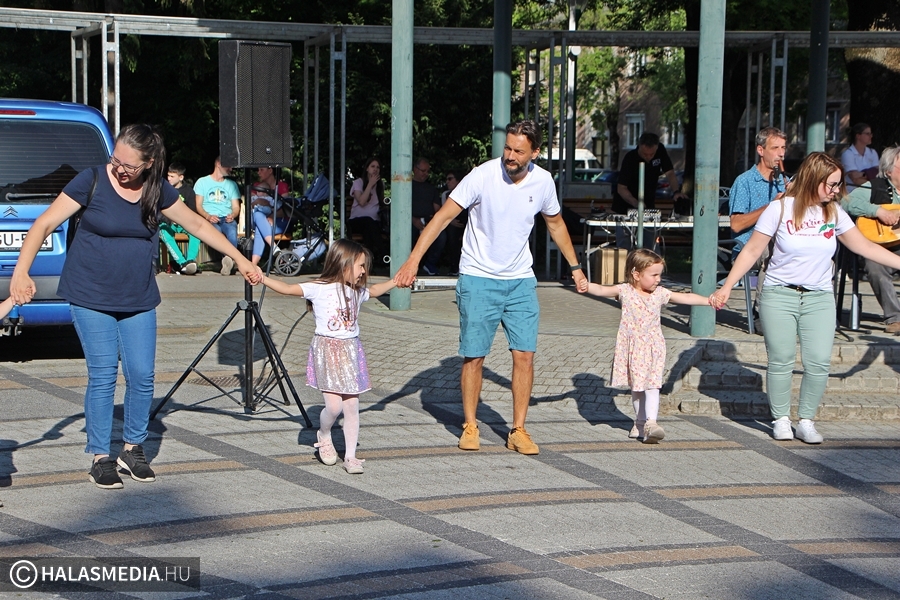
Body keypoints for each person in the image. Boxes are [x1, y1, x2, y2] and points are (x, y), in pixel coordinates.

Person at [9, 124, 261, 489]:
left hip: (138, 297)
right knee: (103, 374)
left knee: (142, 376)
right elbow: (44, 223)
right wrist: (21, 272)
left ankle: (132, 448)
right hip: (90, 295)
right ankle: (100, 456)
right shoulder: (91, 180)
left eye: (127, 165)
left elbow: (198, 226)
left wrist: (241, 259)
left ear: (150, 163)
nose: (118, 169)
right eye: (115, 160)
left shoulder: (158, 190)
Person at [395, 120, 588, 455]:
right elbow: (441, 218)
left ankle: (519, 429)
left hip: (520, 281)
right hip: (479, 277)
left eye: (518, 151)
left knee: (525, 356)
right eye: (507, 148)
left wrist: (575, 268)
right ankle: (470, 425)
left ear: (535, 153)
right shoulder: (482, 175)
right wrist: (413, 261)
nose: (510, 156)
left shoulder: (543, 181)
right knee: (474, 357)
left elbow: (555, 223)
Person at [711, 152, 900, 444]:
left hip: (819, 297)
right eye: (832, 184)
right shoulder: (781, 209)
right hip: (779, 294)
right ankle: (782, 419)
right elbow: (751, 251)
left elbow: (865, 247)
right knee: (782, 359)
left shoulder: (834, 212)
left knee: (819, 362)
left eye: (838, 185)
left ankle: (807, 420)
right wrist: (726, 287)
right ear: (814, 179)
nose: (836, 191)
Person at [258, 239, 396, 474]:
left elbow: (374, 291)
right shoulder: (319, 287)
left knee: (351, 405)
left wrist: (396, 281)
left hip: (350, 351)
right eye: (360, 266)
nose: (363, 271)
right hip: (327, 351)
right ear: (344, 264)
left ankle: (350, 457)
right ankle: (324, 434)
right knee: (333, 408)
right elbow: (287, 288)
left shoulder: (357, 292)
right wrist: (261, 278)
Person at [587, 249, 713, 443]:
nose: (658, 279)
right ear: (636, 275)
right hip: (633, 348)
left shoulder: (660, 294)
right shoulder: (625, 291)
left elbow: (685, 298)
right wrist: (585, 286)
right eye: (654, 275)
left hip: (654, 347)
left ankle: (651, 424)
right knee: (637, 389)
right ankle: (639, 423)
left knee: (653, 385)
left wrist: (709, 301)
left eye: (659, 274)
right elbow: (602, 290)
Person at [729, 127, 788, 332]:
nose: (781, 153)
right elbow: (736, 224)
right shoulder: (744, 181)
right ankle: (761, 314)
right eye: (775, 148)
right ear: (761, 150)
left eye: (783, 148)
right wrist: (770, 206)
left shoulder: (784, 182)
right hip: (748, 246)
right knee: (773, 254)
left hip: (779, 241)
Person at [841, 146, 900, 332]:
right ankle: (895, 318)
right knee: (874, 266)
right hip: (877, 246)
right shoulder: (874, 186)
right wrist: (878, 211)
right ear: (889, 170)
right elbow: (845, 201)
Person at [611, 132, 687, 250]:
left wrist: (676, 191)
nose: (648, 157)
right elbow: (621, 188)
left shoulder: (660, 151)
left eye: (652, 154)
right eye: (645, 154)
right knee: (624, 245)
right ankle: (626, 267)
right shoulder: (630, 158)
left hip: (648, 207)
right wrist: (636, 203)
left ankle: (651, 267)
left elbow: (670, 173)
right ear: (639, 146)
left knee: (650, 245)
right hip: (624, 207)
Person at [195, 156, 242, 275]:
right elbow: (199, 206)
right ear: (219, 164)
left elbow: (236, 207)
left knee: (231, 230)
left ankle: (228, 260)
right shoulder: (202, 182)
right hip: (210, 218)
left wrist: (233, 214)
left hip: (226, 217)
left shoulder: (232, 185)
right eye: (228, 166)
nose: (231, 169)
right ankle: (230, 259)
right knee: (215, 233)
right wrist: (208, 216)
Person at [159, 162, 200, 275]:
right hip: (169, 223)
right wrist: (170, 219)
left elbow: (192, 210)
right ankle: (182, 262)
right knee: (163, 231)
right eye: (168, 176)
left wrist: (182, 220)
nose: (169, 179)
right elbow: (159, 210)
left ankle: (190, 261)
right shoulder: (164, 190)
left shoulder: (189, 191)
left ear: (181, 177)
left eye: (172, 176)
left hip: (184, 223)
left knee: (196, 233)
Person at [411, 157, 447, 275]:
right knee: (407, 234)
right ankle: (407, 265)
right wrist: (413, 220)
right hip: (408, 221)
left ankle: (430, 264)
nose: (426, 174)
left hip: (428, 221)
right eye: (423, 171)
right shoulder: (406, 186)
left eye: (427, 171)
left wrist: (433, 222)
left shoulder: (431, 189)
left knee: (441, 235)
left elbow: (438, 210)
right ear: (415, 169)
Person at [250, 166, 290, 268]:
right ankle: (274, 247)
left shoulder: (282, 187)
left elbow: (285, 209)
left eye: (261, 170)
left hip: (277, 221)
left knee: (260, 229)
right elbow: (252, 204)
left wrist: (272, 215)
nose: (258, 172)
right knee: (258, 215)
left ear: (270, 170)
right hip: (260, 219)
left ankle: (253, 264)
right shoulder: (256, 186)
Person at [348, 158, 385, 262]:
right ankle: (383, 253)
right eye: (372, 166)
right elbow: (362, 202)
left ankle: (368, 262)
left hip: (374, 223)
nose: (375, 169)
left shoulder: (380, 185)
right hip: (357, 221)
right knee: (368, 222)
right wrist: (370, 184)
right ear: (367, 169)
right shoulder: (358, 183)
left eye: (378, 167)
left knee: (369, 230)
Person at [441, 168, 468, 276]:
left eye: (450, 179)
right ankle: (454, 267)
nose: (447, 181)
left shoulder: (468, 192)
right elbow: (442, 213)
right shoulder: (446, 194)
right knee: (452, 232)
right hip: (452, 223)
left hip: (467, 223)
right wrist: (451, 222)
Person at [841, 123, 879, 192]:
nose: (871, 136)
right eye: (867, 134)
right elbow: (855, 179)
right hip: (852, 194)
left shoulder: (872, 152)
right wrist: (869, 175)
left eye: (871, 134)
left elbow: (877, 174)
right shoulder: (848, 154)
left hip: (870, 195)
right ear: (858, 136)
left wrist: (862, 174)